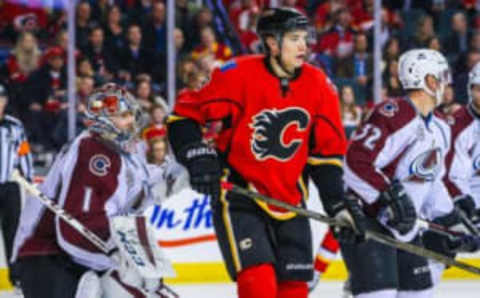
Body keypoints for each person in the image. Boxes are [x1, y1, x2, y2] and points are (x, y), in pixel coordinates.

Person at [167, 8, 364, 298]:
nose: (303, 46)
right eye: (294, 39)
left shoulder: (319, 85)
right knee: (258, 285)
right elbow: (183, 117)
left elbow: (325, 156)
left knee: (294, 292)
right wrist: (198, 156)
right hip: (240, 195)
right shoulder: (236, 74)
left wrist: (337, 204)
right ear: (272, 43)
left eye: (305, 39)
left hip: (291, 200)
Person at [12, 83, 180, 298]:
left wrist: (177, 173)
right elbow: (75, 230)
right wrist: (121, 254)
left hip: (74, 259)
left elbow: (142, 191)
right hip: (48, 257)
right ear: (104, 121)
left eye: (130, 114)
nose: (131, 122)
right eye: (123, 116)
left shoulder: (124, 154)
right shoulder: (93, 153)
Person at [342, 49, 477, 298]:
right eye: (442, 77)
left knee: (420, 294)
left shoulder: (440, 127)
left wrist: (450, 220)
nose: (447, 85)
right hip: (370, 223)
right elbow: (356, 163)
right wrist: (386, 198)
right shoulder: (395, 113)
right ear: (428, 80)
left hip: (406, 228)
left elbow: (431, 181)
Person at [0, 84, 33, 287]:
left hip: (9, 186)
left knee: (13, 231)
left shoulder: (15, 126)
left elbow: (24, 152)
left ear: (5, 101)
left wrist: (29, 178)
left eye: (0, 98)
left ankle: (16, 274)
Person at [442, 61, 480, 234]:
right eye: (478, 89)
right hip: (469, 200)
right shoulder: (459, 125)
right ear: (470, 90)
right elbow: (452, 177)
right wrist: (467, 204)